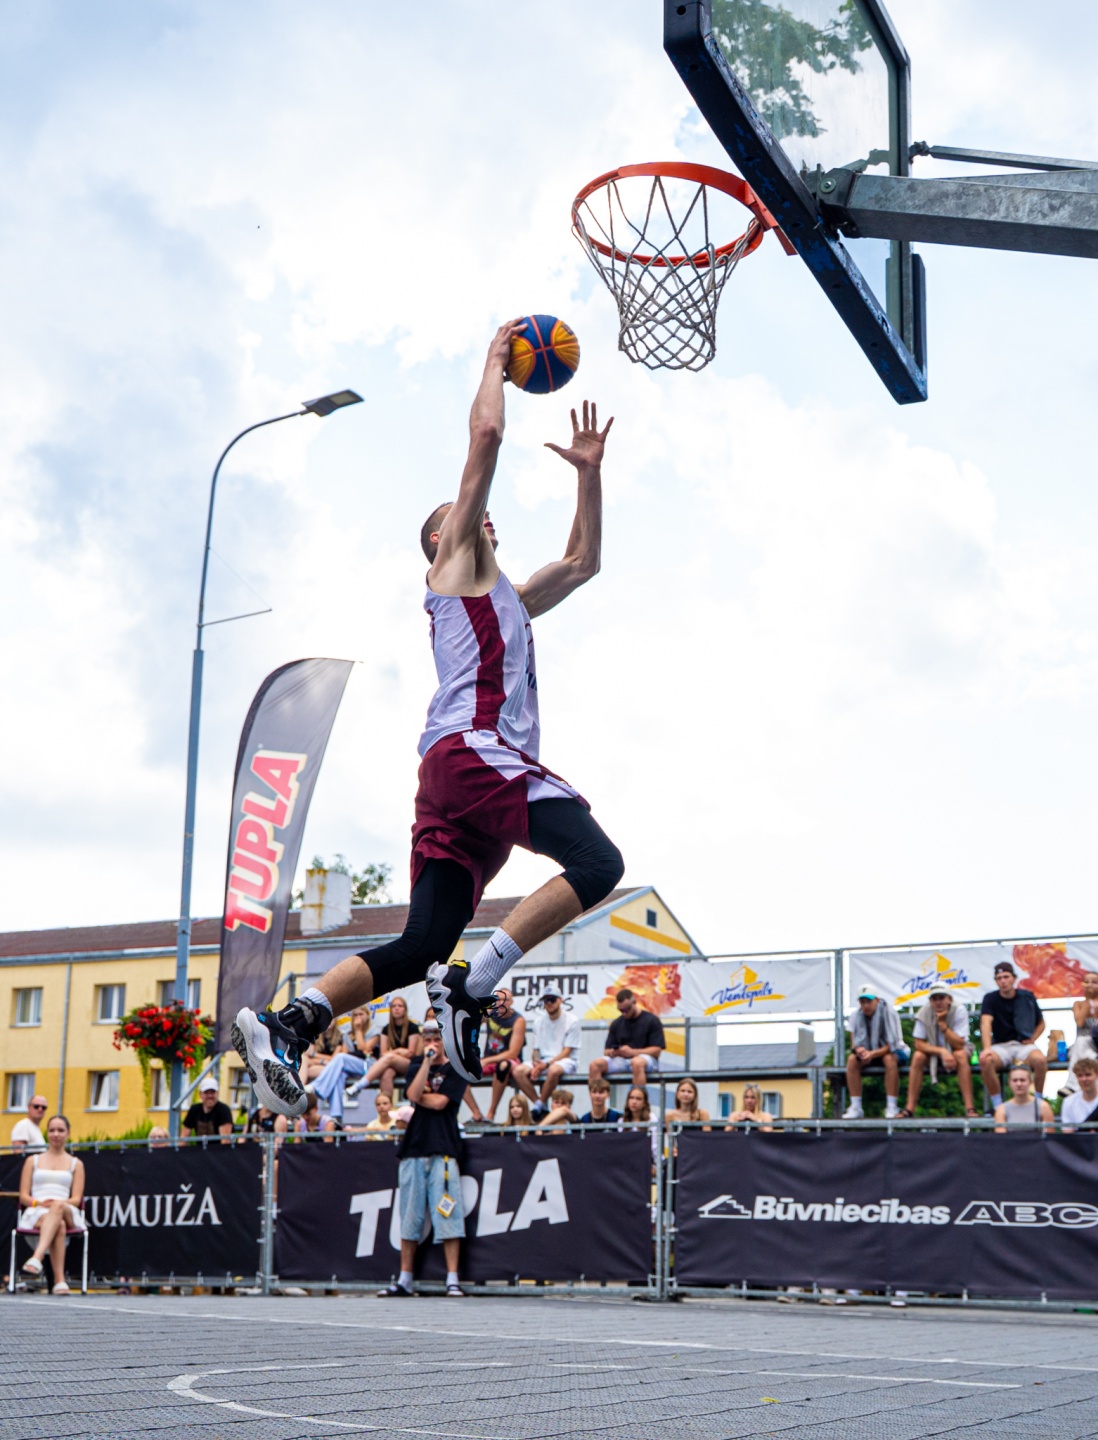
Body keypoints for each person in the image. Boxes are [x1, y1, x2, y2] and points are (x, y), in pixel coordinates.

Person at [232, 324, 622, 1111]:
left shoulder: (508, 596)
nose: (483, 514)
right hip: (475, 755)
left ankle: (289, 1024)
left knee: (422, 945)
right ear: (441, 540)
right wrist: (494, 364)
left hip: (457, 781)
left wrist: (588, 475)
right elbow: (486, 438)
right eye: (464, 513)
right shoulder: (455, 570)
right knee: (598, 862)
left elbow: (584, 562)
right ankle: (474, 987)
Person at [378, 1030, 467, 1298]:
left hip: (444, 1150)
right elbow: (413, 1094)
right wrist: (426, 1063)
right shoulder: (418, 1065)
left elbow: (440, 1103)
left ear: (445, 1043)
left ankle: (452, 1279)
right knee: (410, 1215)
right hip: (414, 1148)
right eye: (428, 1040)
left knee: (448, 1214)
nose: (432, 1044)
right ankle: (405, 1279)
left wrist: (420, 1098)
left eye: (437, 1040)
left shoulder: (456, 1069)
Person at [18, 1115, 85, 1294]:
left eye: (60, 1130)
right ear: (47, 1133)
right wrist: (38, 1203)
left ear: (68, 1133)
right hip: (38, 1211)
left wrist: (58, 1204)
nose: (56, 1134)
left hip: (67, 1209)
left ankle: (37, 1256)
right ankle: (59, 1281)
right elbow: (23, 1196)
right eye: (52, 1130)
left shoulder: (76, 1164)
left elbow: (76, 1199)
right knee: (59, 1225)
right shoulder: (32, 1161)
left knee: (58, 1208)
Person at [897, 984, 978, 1118]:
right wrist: (942, 1051)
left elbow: (960, 1044)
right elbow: (918, 1044)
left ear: (949, 999)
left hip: (957, 1049)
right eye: (934, 999)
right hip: (936, 1051)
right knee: (918, 1056)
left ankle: (970, 1108)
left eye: (941, 998)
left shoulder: (959, 1009)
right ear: (930, 1001)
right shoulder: (924, 1012)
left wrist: (943, 1025)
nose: (938, 1002)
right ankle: (909, 1108)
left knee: (960, 1055)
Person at [979, 961, 1047, 1111]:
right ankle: (998, 1106)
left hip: (1023, 1045)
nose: (1003, 981)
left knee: (1040, 1060)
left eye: (1006, 977)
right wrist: (987, 1048)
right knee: (986, 1060)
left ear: (1014, 978)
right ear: (996, 981)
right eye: (999, 978)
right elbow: (985, 1023)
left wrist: (1033, 1039)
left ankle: (1038, 1102)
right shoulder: (990, 998)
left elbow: (1042, 1023)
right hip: (1000, 1046)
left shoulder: (1027, 996)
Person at [513, 989, 582, 1119]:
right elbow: (536, 1050)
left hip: (566, 1061)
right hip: (544, 1061)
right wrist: (536, 1063)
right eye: (546, 1000)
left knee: (554, 1070)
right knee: (518, 1071)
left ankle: (539, 1106)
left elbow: (567, 1051)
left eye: (552, 999)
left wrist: (546, 1064)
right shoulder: (538, 1022)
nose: (549, 1003)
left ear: (560, 1000)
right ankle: (540, 1106)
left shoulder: (572, 1020)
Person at [843, 987, 906, 1120]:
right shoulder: (855, 1015)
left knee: (889, 1059)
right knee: (852, 1060)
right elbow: (854, 1043)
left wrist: (871, 1054)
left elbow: (892, 1045)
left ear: (877, 1000)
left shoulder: (890, 1012)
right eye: (862, 1002)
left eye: (869, 1001)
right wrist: (859, 1051)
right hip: (870, 1053)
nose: (866, 1005)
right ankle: (855, 1106)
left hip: (896, 1051)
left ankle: (892, 1106)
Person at [588, 988, 665, 1088]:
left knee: (637, 1063)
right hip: (622, 1060)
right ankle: (597, 1096)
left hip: (646, 1059)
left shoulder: (651, 1020)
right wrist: (614, 1052)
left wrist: (632, 1052)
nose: (624, 1013)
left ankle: (638, 1096)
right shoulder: (617, 1023)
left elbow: (657, 1050)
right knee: (595, 1065)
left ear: (634, 1002)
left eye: (627, 1009)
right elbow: (606, 1051)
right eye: (620, 1010)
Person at [481, 988, 526, 1123]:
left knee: (503, 1066)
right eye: (498, 999)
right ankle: (476, 1113)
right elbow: (469, 1021)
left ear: (511, 1002)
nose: (501, 1003)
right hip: (489, 1060)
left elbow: (513, 1053)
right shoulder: (490, 1013)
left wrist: (486, 1061)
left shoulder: (517, 1020)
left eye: (505, 1000)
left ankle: (491, 1112)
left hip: (510, 1061)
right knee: (460, 1070)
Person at [1061, 971, 1098, 1096]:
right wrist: (1088, 1003)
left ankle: (1072, 1086)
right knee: (1082, 1043)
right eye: (1087, 982)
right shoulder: (1079, 1004)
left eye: (1094, 982)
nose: (1090, 985)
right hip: (1082, 1046)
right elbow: (1080, 1023)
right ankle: (1074, 1086)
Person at [994, 1062, 1054, 1132]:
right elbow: (1000, 1137)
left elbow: (1049, 1136)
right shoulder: (1002, 1109)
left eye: (1022, 1080)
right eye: (1015, 1080)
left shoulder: (1043, 1107)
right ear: (1009, 1083)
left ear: (1030, 1082)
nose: (1019, 1084)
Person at [1061, 1057, 1098, 1130]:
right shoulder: (1069, 1102)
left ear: (1097, 1075)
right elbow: (1068, 1133)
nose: (1084, 1079)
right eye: (1080, 1076)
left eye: (1088, 1075)